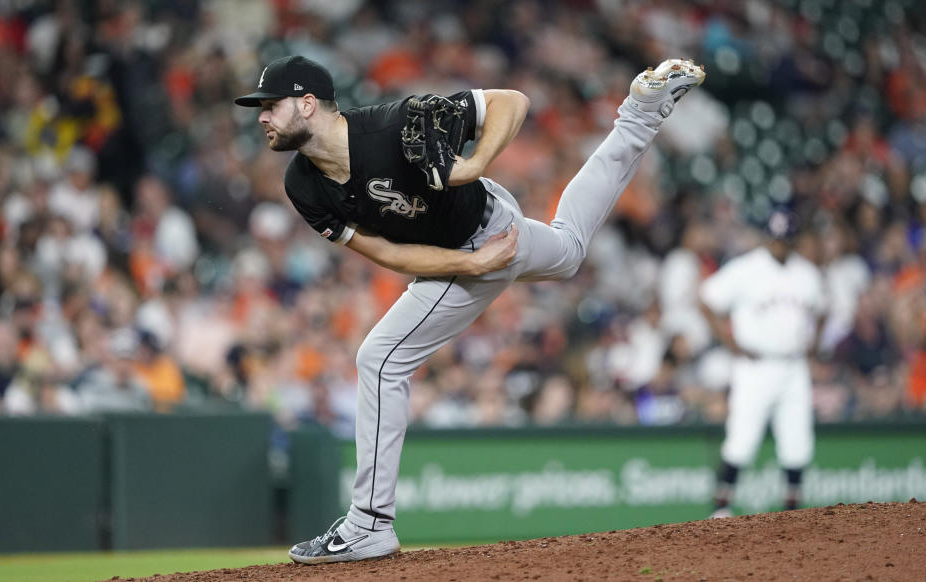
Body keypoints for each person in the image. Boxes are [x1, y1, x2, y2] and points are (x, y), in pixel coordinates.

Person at [234, 54, 706, 563]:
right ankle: (639, 115)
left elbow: (512, 102)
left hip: (482, 226)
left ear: (308, 104)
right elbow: (387, 253)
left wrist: (474, 164)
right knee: (568, 251)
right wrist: (476, 263)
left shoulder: (393, 125)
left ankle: (368, 523)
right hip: (473, 245)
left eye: (270, 104)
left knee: (380, 359)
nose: (260, 116)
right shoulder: (301, 184)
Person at [699, 209, 827, 518]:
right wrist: (731, 343)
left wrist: (814, 343)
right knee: (741, 438)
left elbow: (822, 310)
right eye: (776, 238)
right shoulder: (746, 268)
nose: (780, 244)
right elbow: (706, 299)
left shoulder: (807, 272)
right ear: (767, 237)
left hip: (794, 365)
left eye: (786, 239)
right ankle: (721, 508)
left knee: (797, 440)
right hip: (756, 365)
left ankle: (792, 510)